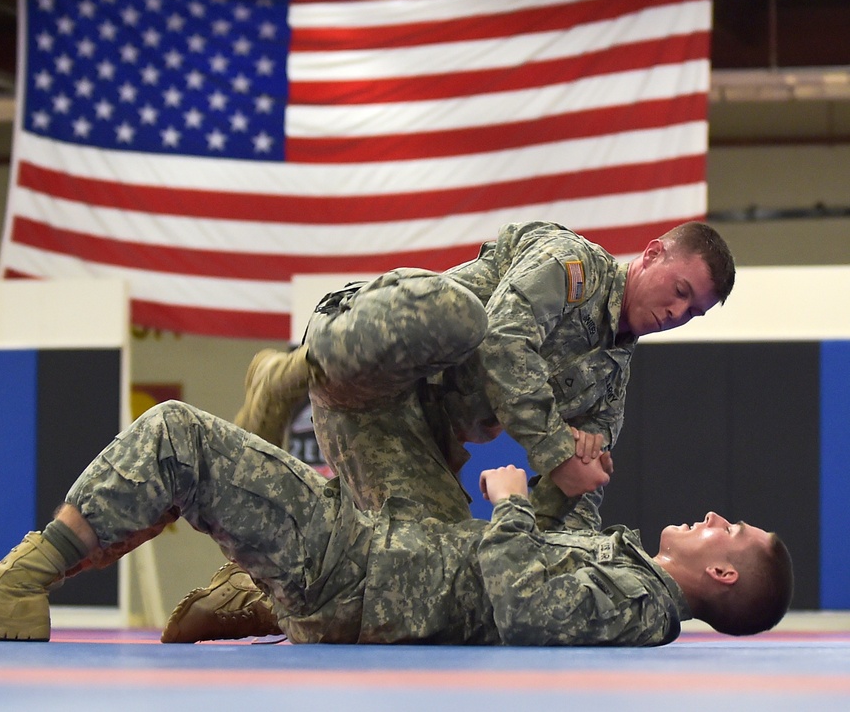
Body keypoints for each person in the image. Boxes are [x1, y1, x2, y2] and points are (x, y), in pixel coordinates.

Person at [161, 219, 736, 641]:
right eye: (680, 292)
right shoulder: (572, 267)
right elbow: (503, 340)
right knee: (462, 317)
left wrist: (571, 520)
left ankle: (260, 592)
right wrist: (560, 450)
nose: (678, 313)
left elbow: (581, 498)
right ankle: (290, 371)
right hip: (379, 357)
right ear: (654, 253)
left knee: (424, 574)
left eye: (695, 313)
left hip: (411, 432)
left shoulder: (609, 378)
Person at [0, 398, 792, 645]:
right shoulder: (633, 578)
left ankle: (14, 587)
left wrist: (513, 506)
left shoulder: (641, 609)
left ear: (721, 578)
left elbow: (527, 609)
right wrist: (571, 485)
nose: (716, 518)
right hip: (371, 555)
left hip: (359, 576)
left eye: (732, 532)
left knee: (177, 437)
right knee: (184, 455)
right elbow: (555, 580)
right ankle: (3, 584)